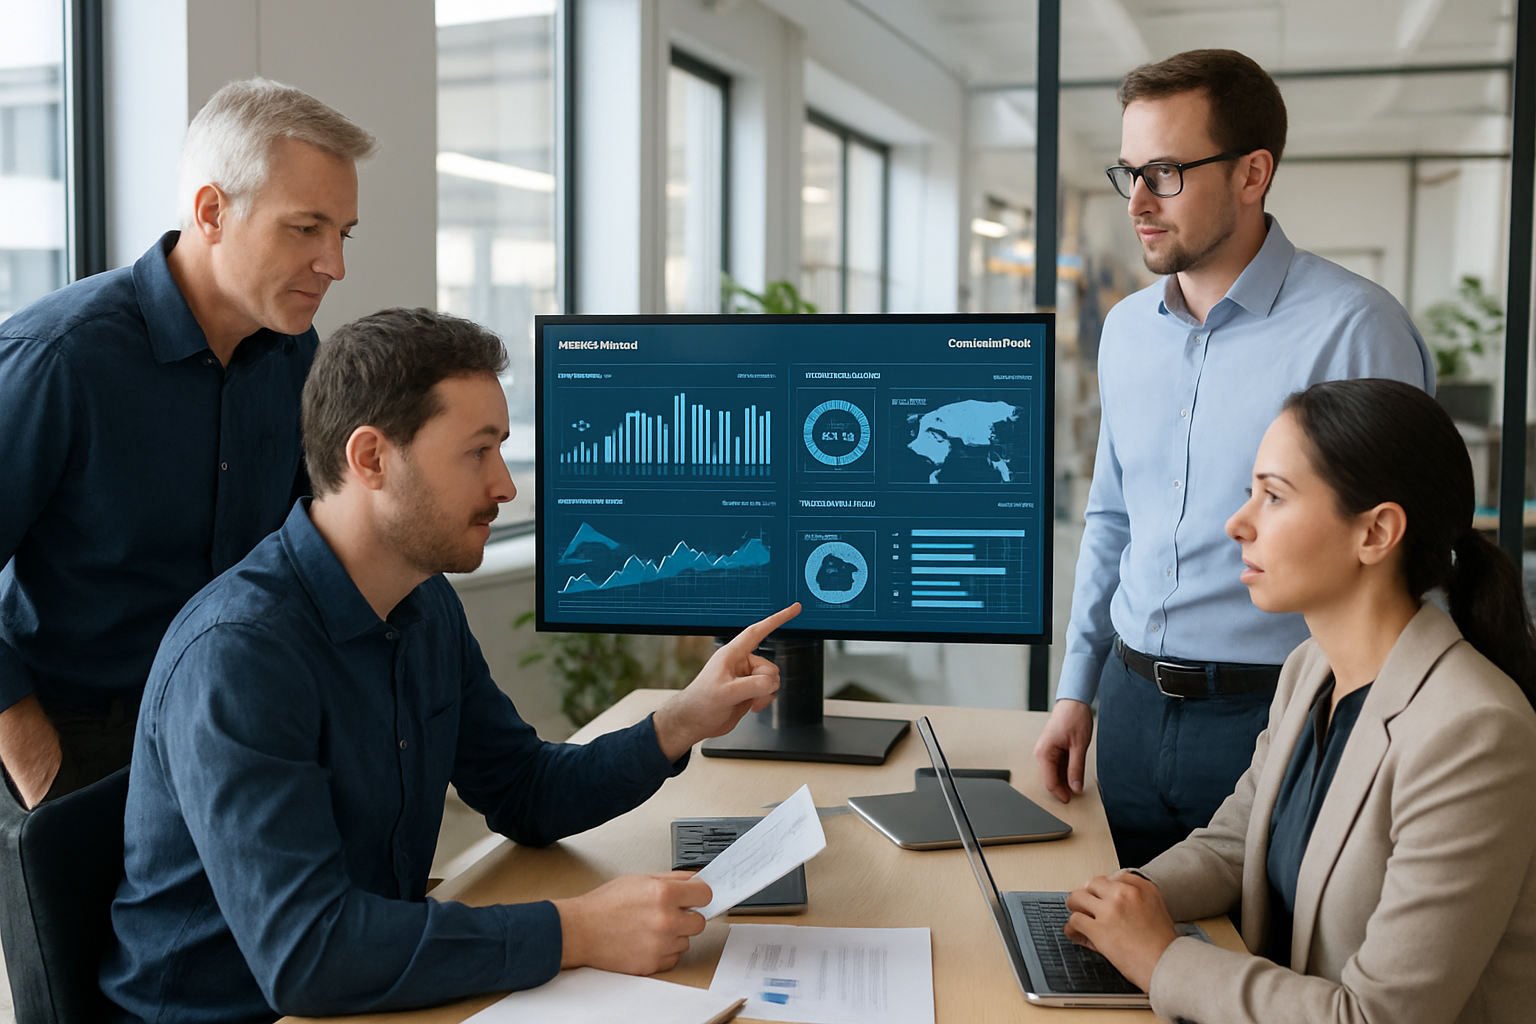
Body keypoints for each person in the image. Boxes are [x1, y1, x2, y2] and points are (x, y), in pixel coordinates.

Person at [100, 306, 803, 1022]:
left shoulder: (420, 602)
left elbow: (524, 791)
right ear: (370, 458)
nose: (505, 486)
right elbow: (308, 953)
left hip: (367, 998)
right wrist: (579, 929)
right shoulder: (239, 654)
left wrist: (678, 722)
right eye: (478, 452)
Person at [1033, 49, 1433, 866]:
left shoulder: (1355, 328)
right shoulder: (1125, 330)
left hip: (1283, 711)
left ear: (1253, 174)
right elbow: (1112, 517)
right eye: (1130, 172)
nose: (1138, 202)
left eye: (1168, 172)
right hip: (1130, 705)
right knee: (1120, 953)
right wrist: (1077, 686)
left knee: (1269, 966)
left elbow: (1403, 553)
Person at [1063, 378, 1536, 1024]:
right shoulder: (1311, 668)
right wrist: (1130, 898)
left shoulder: (1474, 733)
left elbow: (1377, 1017)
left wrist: (1159, 958)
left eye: (1274, 496)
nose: (1238, 522)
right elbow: (1236, 841)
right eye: (1251, 491)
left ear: (1376, 533)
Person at [0, 78, 376, 807]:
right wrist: (43, 772)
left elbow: (310, 547)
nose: (335, 264)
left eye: (343, 234)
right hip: (76, 747)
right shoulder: (58, 358)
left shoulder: (299, 357)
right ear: (211, 212)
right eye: (306, 229)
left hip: (231, 728)